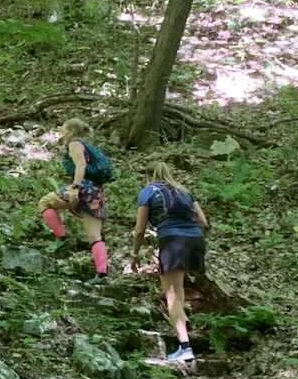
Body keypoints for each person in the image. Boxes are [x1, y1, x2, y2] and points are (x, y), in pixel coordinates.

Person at [130, 160, 209, 363]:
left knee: (171, 295)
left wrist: (135, 254)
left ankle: (185, 347)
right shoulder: (184, 192)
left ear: (148, 176)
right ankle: (182, 328)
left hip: (172, 240)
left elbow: (139, 230)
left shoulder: (148, 192)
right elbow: (203, 221)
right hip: (195, 240)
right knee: (178, 289)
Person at [36, 118, 111, 282]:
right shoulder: (87, 146)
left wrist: (75, 187)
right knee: (95, 236)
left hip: (82, 189)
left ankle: (61, 238)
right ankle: (102, 273)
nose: (62, 134)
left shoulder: (75, 144)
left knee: (45, 202)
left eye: (63, 130)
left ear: (70, 131)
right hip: (96, 193)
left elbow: (81, 165)